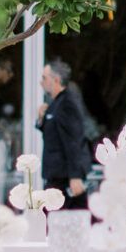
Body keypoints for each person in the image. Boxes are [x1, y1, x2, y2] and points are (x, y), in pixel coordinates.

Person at [38, 56, 91, 201]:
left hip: (65, 177)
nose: (41, 82)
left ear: (56, 79)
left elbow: (74, 140)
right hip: (56, 175)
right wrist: (41, 120)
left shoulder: (68, 103)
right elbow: (53, 134)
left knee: (64, 220)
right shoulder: (56, 102)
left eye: (44, 78)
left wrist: (75, 176)